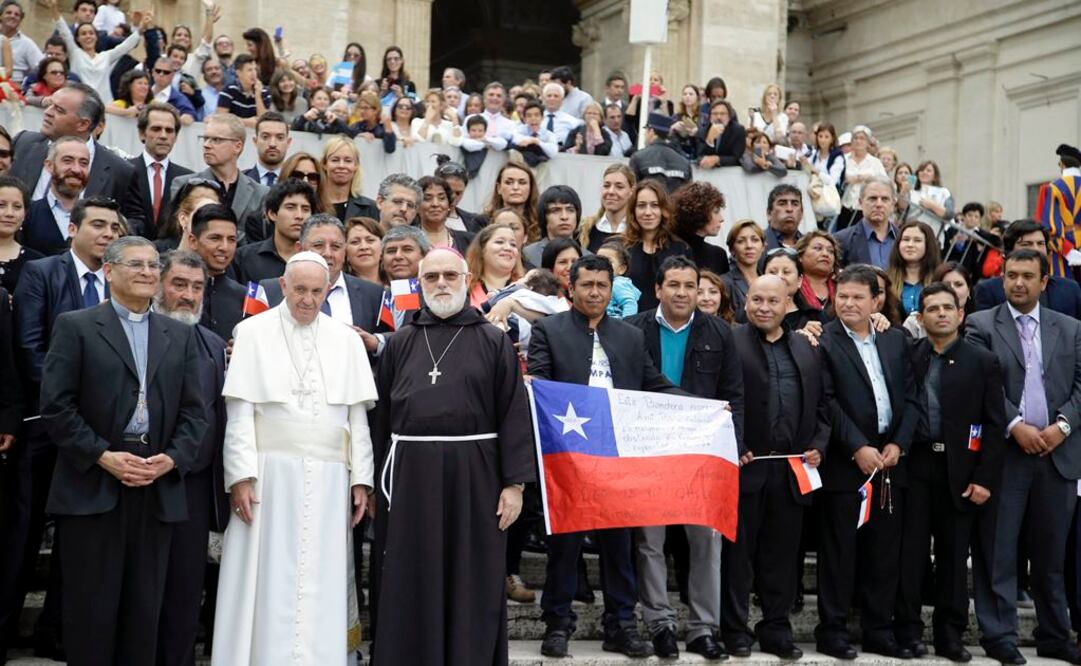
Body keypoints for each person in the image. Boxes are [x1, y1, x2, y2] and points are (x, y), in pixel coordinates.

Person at [37, 234, 206, 665]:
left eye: (153, 266)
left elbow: (196, 413)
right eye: (137, 265)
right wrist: (102, 456)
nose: (149, 273)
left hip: (155, 486)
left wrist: (172, 459)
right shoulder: (76, 326)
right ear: (109, 271)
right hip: (94, 484)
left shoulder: (179, 335)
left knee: (144, 611)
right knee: (90, 613)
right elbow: (56, 408)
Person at [369, 247, 534, 664]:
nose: (441, 284)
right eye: (432, 278)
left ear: (466, 278)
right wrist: (372, 483)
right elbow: (383, 418)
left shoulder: (494, 341)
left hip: (475, 477)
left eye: (450, 276)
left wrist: (514, 484)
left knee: (471, 576)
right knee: (410, 575)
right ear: (420, 285)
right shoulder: (401, 342)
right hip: (409, 477)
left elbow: (514, 412)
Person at [211, 251, 376, 665]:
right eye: (299, 289)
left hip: (329, 479)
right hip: (268, 475)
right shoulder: (251, 332)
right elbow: (240, 412)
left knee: (320, 577)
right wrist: (241, 476)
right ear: (282, 286)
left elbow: (357, 418)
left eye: (317, 291)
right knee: (266, 577)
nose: (307, 299)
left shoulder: (345, 340)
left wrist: (362, 480)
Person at [528, 253, 680, 659]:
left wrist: (699, 406)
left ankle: (622, 626)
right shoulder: (549, 329)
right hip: (568, 456)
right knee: (565, 543)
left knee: (620, 545)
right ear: (571, 288)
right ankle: (557, 624)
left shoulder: (630, 336)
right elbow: (539, 381)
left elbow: (653, 383)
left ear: (611, 289)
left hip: (618, 456)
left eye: (602, 285)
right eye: (587, 285)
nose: (595, 292)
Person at [966, 249, 1081, 665]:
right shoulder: (980, 325)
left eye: (1027, 276)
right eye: (1011, 275)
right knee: (998, 550)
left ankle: (1055, 635)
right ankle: (999, 636)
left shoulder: (1070, 329)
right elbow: (982, 382)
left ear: (1044, 281)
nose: (1018, 283)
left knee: (1051, 556)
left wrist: (1061, 426)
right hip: (1006, 455)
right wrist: (1015, 425)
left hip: (1058, 455)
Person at [627, 255, 743, 661]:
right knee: (649, 541)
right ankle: (659, 624)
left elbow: (735, 395)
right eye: (673, 285)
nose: (682, 293)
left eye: (689, 285)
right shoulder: (632, 330)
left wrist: (731, 449)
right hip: (650, 451)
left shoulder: (721, 333)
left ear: (700, 290)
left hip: (702, 453)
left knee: (706, 542)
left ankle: (701, 629)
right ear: (657, 289)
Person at [894, 282, 1005, 662]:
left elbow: (993, 425)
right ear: (920, 317)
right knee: (910, 554)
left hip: (960, 469)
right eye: (932, 308)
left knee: (954, 555)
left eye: (948, 307)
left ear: (961, 315)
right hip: (915, 464)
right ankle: (908, 631)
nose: (941, 313)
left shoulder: (983, 361)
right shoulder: (909, 355)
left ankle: (950, 634)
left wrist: (984, 479)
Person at [722, 274, 830, 659]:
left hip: (791, 470)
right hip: (744, 466)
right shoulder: (730, 341)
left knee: (783, 557)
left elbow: (821, 407)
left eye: (772, 301)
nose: (763, 307)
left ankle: (776, 628)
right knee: (739, 557)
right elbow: (719, 401)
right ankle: (734, 629)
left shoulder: (806, 349)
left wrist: (817, 445)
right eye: (756, 300)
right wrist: (734, 445)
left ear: (788, 305)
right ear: (746, 301)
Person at [814, 265, 920, 660]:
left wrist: (899, 444)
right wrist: (857, 446)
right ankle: (834, 630)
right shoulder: (823, 341)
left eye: (859, 297)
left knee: (884, 550)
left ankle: (879, 629)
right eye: (842, 296)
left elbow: (911, 397)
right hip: (847, 462)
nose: (849, 303)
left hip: (891, 460)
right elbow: (827, 401)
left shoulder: (895, 341)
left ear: (877, 300)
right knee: (840, 550)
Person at [151, 249, 229, 666]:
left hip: (193, 491)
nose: (188, 295)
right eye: (179, 284)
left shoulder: (214, 344)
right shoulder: (136, 333)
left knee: (184, 594)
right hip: (139, 485)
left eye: (197, 288)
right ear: (159, 284)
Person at [256, 215, 386, 350]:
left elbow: (390, 346)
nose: (327, 253)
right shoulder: (266, 290)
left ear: (345, 251)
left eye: (336, 246)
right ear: (300, 249)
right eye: (318, 245)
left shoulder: (374, 294)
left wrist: (375, 344)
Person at [10, 82, 133, 205]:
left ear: (83, 124)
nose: (48, 112)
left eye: (59, 110)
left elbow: (134, 219)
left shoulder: (120, 171)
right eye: (50, 105)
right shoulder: (22, 143)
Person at [171, 114, 269, 237]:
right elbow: (177, 232)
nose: (206, 145)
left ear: (237, 146)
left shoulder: (260, 193)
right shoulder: (184, 185)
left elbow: (259, 239)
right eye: (205, 138)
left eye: (216, 140)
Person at [45, 0, 148, 105]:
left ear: (96, 37)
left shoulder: (106, 56)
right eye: (83, 34)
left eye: (91, 33)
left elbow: (126, 46)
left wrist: (141, 27)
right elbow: (64, 31)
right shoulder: (75, 53)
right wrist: (53, 8)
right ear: (78, 38)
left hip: (104, 106)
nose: (88, 36)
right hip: (80, 104)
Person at [972, 219, 1081, 318]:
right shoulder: (988, 291)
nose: (1036, 250)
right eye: (1027, 244)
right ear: (1009, 252)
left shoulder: (1070, 290)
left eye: (1040, 244)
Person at [123, 103, 193, 240]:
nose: (163, 136)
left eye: (169, 130)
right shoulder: (123, 171)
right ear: (142, 133)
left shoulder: (187, 178)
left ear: (176, 136)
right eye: (156, 129)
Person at [622, 180, 691, 311]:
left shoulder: (680, 249)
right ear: (633, 210)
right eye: (641, 206)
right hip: (629, 325)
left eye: (654, 205)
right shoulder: (622, 248)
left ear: (664, 209)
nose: (648, 212)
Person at [232, 179, 317, 284]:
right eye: (290, 207)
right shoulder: (243, 259)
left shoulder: (318, 258)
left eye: (305, 209)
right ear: (272, 214)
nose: (299, 216)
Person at [181, 203, 244, 343]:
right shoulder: (173, 292)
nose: (224, 247)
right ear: (193, 241)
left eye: (231, 240)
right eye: (215, 238)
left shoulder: (246, 297)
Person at [21, 136, 90, 256]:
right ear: (49, 165)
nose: (76, 169)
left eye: (83, 163)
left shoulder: (97, 217)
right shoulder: (27, 214)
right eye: (67, 161)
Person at [834, 176, 899, 269]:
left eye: (884, 199)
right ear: (860, 202)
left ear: (893, 204)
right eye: (872, 198)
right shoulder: (841, 240)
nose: (878, 204)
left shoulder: (903, 239)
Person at [1039, 143, 1081, 279]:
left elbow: (1050, 228)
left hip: (1063, 250)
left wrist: (1069, 252)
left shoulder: (1053, 188)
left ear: (1062, 164)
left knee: (1064, 292)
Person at [671, 181, 730, 275]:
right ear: (699, 213)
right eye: (716, 212)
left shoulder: (718, 255)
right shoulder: (670, 250)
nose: (721, 219)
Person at [378, 225, 430, 329]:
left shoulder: (434, 295)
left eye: (407, 249)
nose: (398, 256)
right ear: (382, 259)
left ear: (425, 256)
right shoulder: (376, 296)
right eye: (391, 251)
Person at [886, 220, 942, 317]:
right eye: (906, 239)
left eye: (917, 240)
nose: (910, 245)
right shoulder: (886, 281)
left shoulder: (940, 280)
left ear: (928, 245)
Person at [577, 163, 635, 252]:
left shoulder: (639, 230)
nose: (611, 191)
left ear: (631, 191)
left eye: (619, 187)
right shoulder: (585, 229)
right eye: (606, 186)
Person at [838, 125, 887, 230]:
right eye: (855, 138)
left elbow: (885, 182)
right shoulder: (843, 159)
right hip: (845, 206)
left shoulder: (875, 162)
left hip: (866, 208)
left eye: (862, 138)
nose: (858, 141)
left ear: (868, 142)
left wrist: (866, 179)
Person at [630, 113, 692, 193]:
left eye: (646, 130)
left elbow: (632, 192)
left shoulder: (638, 157)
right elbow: (689, 197)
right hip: (674, 204)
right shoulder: (684, 162)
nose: (644, 134)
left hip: (650, 204)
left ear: (651, 131)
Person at [465, 223, 523, 307]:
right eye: (500, 242)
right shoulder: (464, 288)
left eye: (513, 244)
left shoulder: (527, 287)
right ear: (481, 249)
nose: (508, 248)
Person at [322, 137, 379, 222]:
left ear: (356, 166)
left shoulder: (371, 208)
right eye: (335, 160)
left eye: (348, 161)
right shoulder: (312, 204)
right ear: (324, 164)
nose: (341, 165)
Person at [523, 185, 581, 268]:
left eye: (570, 210)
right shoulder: (528, 255)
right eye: (556, 210)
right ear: (544, 216)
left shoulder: (588, 257)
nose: (564, 217)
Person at [0, 175, 40, 293]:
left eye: (17, 207)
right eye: (1, 205)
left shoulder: (37, 263)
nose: (9, 213)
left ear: (25, 213)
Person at [479, 161, 540, 239]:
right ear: (499, 188)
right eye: (509, 182)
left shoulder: (541, 223)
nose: (515, 187)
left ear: (531, 188)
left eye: (522, 183)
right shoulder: (482, 222)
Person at [416, 175, 473, 254]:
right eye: (427, 198)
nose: (435, 204)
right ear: (417, 206)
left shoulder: (470, 241)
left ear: (449, 204)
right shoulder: (407, 240)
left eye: (442, 198)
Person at [722, 220, 765, 321]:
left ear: (763, 247)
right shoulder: (725, 283)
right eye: (741, 241)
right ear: (732, 250)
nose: (749, 246)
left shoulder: (769, 279)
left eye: (755, 240)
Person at [903, 160, 954, 241]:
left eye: (928, 170)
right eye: (921, 170)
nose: (924, 172)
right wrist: (904, 191)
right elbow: (901, 209)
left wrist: (932, 206)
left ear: (934, 176)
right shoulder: (912, 192)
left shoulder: (944, 192)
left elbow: (949, 214)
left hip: (933, 238)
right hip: (912, 236)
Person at [241, 111, 291, 188]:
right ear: (255, 141)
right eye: (265, 137)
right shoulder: (240, 181)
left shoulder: (297, 182)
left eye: (280, 137)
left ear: (288, 142)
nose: (272, 144)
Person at [216, 54, 269, 125]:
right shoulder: (228, 90)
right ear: (239, 73)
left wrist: (258, 95)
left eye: (255, 69)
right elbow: (220, 118)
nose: (254, 73)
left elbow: (264, 121)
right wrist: (246, 122)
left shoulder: (264, 91)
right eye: (249, 70)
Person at [796, 230, 840, 315]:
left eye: (830, 251)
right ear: (800, 256)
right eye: (818, 248)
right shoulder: (792, 287)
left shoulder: (841, 287)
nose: (825, 254)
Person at [0, 0, 43, 85]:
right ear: (0, 16)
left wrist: (28, 84)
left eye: (17, 15)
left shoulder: (27, 43)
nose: (13, 16)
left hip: (16, 86)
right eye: (8, 13)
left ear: (20, 20)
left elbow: (42, 67)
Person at [145, 57, 197, 123]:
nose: (161, 74)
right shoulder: (142, 92)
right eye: (158, 71)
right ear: (152, 72)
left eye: (166, 72)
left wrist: (188, 117)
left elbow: (191, 114)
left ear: (172, 75)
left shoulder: (178, 98)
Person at [596, 240, 640, 318]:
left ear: (621, 269)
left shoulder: (618, 283)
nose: (602, 264)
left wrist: (626, 325)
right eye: (598, 260)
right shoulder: (598, 284)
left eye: (608, 261)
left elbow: (630, 304)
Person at [696, 100, 745, 169]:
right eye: (715, 114)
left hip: (730, 172)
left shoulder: (738, 130)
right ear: (710, 117)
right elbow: (700, 156)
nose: (718, 117)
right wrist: (710, 140)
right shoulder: (702, 131)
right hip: (708, 173)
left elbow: (737, 158)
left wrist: (717, 159)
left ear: (729, 116)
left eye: (722, 114)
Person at [764, 183, 803, 250]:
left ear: (801, 213)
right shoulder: (755, 245)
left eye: (795, 204)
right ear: (769, 213)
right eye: (782, 204)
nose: (789, 209)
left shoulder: (810, 245)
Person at [345, 216, 383, 284]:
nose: (363, 247)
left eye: (370, 240)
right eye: (355, 242)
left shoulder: (398, 285)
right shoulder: (340, 288)